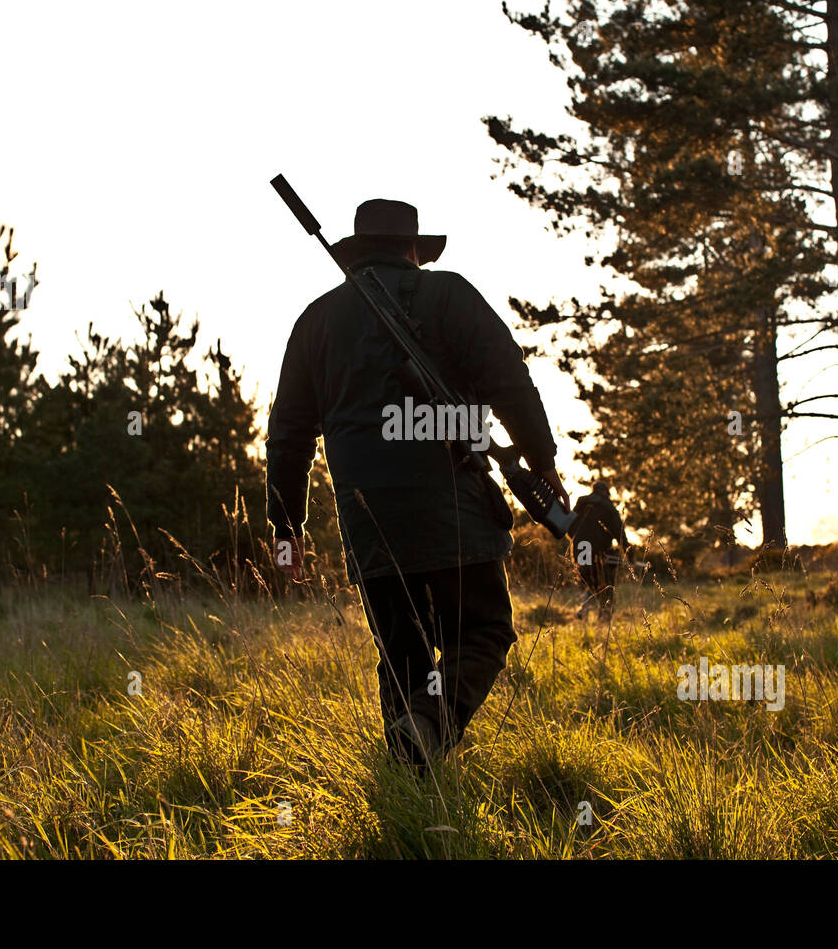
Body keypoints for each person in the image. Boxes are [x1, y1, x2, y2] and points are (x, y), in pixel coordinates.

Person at [265, 196, 569, 770]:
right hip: (453, 506)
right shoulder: (451, 295)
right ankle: (429, 724)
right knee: (482, 632)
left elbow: (287, 439)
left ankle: (411, 783)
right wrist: (544, 465)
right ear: (413, 249)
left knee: (401, 655)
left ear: (358, 250)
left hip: (367, 519)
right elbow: (512, 383)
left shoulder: (315, 321)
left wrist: (286, 528)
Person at [569, 482, 627, 624]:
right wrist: (628, 553)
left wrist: (577, 541)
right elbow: (619, 532)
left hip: (580, 548)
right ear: (605, 493)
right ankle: (604, 622)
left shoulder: (581, 504)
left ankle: (584, 610)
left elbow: (569, 527)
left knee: (586, 581)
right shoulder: (608, 506)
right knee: (605, 587)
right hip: (599, 552)